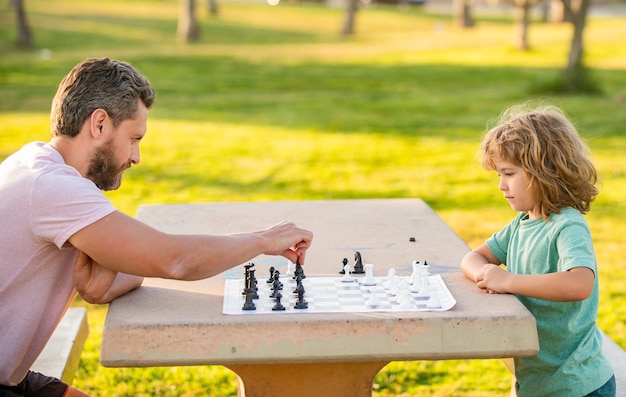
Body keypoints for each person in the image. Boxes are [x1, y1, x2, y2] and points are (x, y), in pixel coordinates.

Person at [0, 57, 313, 397]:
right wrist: (264, 240)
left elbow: (111, 282)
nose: (136, 157)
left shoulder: (35, 163)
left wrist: (124, 268)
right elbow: (174, 261)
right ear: (100, 124)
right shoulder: (54, 188)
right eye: (134, 138)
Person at [460, 104, 615, 397]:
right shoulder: (522, 223)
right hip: (539, 382)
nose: (501, 186)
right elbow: (472, 258)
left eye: (509, 173)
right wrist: (485, 273)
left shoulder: (567, 225)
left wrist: (507, 281)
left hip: (576, 384)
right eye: (499, 176)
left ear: (543, 172)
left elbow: (580, 283)